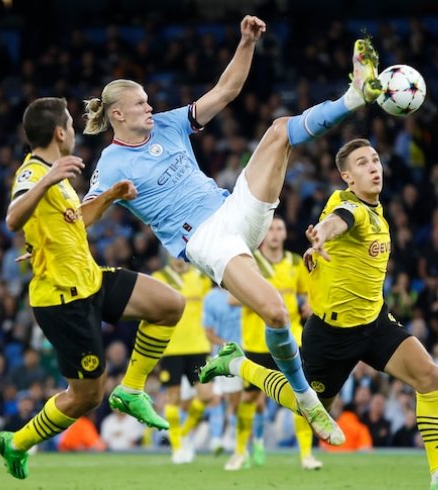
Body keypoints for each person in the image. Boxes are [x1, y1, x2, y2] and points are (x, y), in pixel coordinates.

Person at [84, 15, 382, 442]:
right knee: (276, 312)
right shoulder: (112, 163)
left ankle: (354, 96)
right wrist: (111, 195)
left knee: (278, 131)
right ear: (118, 114)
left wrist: (246, 43)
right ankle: (308, 400)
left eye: (148, 102)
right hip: (206, 239)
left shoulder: (168, 124)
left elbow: (225, 91)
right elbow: (85, 215)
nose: (150, 107)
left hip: (234, 206)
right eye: (141, 104)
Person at [201, 140, 438, 489]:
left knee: (430, 376)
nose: (373, 167)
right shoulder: (349, 206)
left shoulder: (377, 212)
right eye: (362, 163)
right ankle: (237, 363)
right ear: (347, 177)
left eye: (375, 159)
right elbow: (338, 221)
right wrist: (321, 237)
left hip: (374, 322)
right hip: (331, 335)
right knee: (309, 410)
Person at [0, 97, 185, 480]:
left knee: (169, 304)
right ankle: (16, 442)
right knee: (87, 397)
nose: (75, 130)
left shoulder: (57, 176)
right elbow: (13, 218)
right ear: (59, 133)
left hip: (90, 281)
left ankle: (131, 389)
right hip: (63, 301)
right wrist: (47, 180)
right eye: (70, 123)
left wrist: (111, 196)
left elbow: (75, 221)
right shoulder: (34, 172)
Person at [228, 217, 321, 471]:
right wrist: (260, 299)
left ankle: (306, 455)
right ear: (262, 234)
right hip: (257, 342)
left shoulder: (295, 261)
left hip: (291, 340)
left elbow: (311, 290)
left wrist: (310, 303)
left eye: (279, 228)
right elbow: (231, 299)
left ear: (285, 234)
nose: (275, 233)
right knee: (249, 398)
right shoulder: (250, 263)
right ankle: (239, 453)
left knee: (302, 396)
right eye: (270, 228)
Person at [150, 257, 213, 463]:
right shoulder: (159, 278)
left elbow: (208, 309)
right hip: (172, 347)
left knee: (206, 395)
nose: (177, 258)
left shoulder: (201, 278)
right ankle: (177, 447)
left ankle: (183, 433)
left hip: (199, 345)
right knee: (173, 397)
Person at [202, 283, 243, 456]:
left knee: (235, 400)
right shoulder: (211, 298)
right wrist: (226, 345)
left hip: (245, 355)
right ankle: (217, 438)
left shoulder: (245, 292)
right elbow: (208, 332)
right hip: (221, 355)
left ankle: (231, 434)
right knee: (215, 397)